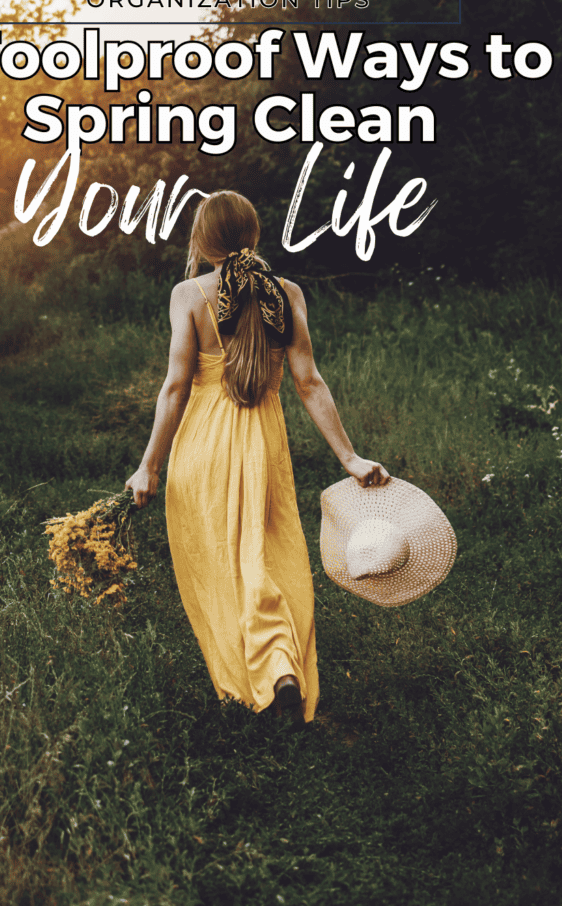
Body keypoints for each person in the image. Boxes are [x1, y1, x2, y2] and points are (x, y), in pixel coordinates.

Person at [125, 190, 389, 724]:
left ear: (201, 241)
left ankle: (259, 676)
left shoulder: (187, 295)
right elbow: (309, 383)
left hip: (202, 445)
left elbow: (175, 388)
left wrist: (149, 465)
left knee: (223, 562)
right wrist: (350, 458)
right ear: (256, 234)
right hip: (263, 445)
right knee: (267, 556)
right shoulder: (287, 292)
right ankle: (281, 667)